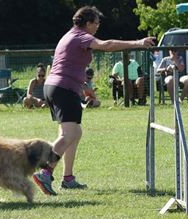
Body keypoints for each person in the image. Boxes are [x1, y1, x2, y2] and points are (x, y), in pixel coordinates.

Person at [32, 5, 155, 195]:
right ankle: (45, 172)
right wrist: (138, 42)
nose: (98, 27)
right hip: (63, 89)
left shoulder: (70, 35)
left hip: (56, 87)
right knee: (68, 135)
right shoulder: (81, 36)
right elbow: (106, 45)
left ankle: (68, 178)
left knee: (74, 132)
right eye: (96, 23)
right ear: (87, 23)